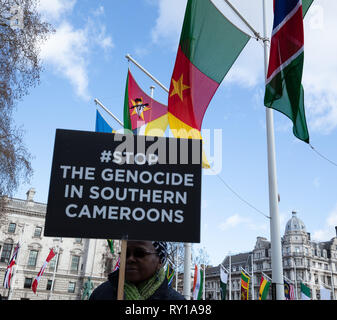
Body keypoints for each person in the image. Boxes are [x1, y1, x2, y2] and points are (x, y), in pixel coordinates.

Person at [89, 240, 185, 300]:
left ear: (160, 260)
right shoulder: (101, 293)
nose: (130, 259)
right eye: (125, 254)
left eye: (140, 253)